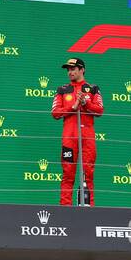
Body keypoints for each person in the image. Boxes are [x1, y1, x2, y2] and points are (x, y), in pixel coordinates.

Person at [51, 57, 103, 206]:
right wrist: (73, 107)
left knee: (88, 173)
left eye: (73, 69)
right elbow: (55, 113)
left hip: (87, 137)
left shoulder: (92, 88)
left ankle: (88, 208)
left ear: (82, 70)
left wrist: (86, 103)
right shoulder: (62, 89)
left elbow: (100, 110)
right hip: (69, 136)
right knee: (68, 174)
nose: (70, 72)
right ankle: (65, 209)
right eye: (68, 69)